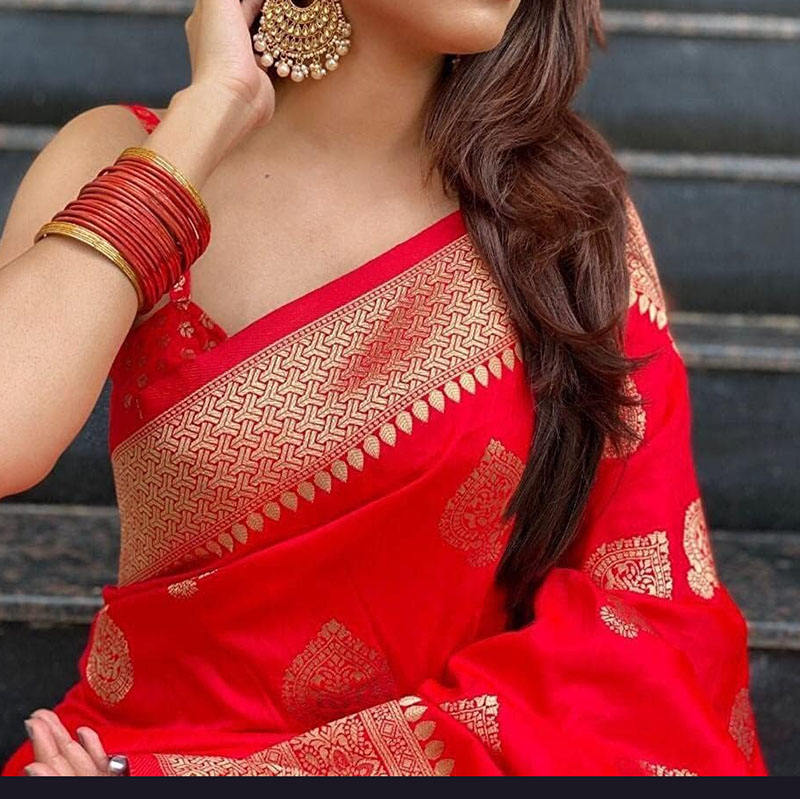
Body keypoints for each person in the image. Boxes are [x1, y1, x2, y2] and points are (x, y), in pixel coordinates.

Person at [0, 0, 766, 776]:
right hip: (116, 758)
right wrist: (209, 113)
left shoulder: (562, 224)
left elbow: (650, 622)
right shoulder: (126, 153)